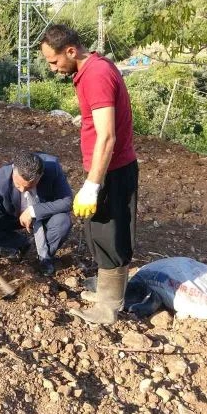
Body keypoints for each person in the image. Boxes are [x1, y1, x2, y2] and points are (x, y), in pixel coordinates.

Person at [40, 24, 139, 324]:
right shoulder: (93, 68)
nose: (53, 69)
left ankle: (108, 307)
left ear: (70, 51)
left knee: (110, 234)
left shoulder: (95, 75)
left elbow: (107, 136)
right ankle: (106, 288)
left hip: (112, 170)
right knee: (97, 231)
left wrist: (94, 184)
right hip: (104, 168)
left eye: (54, 61)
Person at [0, 152, 72, 280]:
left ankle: (44, 257)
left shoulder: (52, 169)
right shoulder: (0, 179)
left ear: (40, 176)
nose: (22, 190)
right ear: (13, 170)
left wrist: (33, 211)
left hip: (44, 215)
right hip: (13, 216)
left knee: (62, 222)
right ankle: (21, 243)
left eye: (29, 186)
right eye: (17, 185)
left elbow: (67, 201)